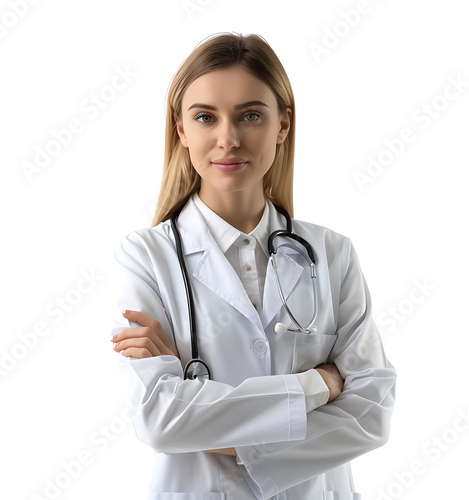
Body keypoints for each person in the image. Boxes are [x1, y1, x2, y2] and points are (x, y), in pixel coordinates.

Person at [110, 32, 396, 500]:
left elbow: (372, 412)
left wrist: (219, 429)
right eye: (205, 117)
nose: (229, 138)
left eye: (250, 115)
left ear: (283, 125)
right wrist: (318, 386)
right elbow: (161, 420)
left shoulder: (332, 253)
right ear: (181, 130)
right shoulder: (146, 256)